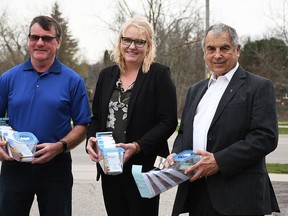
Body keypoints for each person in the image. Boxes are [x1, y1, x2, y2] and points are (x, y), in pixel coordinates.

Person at [167, 23, 280, 216]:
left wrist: (219, 161)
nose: (217, 55)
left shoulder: (259, 87)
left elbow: (265, 137)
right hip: (197, 193)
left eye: (224, 48)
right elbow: (184, 131)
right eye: (211, 49)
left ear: (237, 50)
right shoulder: (196, 90)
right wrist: (176, 154)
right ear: (204, 52)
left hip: (238, 196)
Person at [86, 16, 178, 216]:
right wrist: (90, 140)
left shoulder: (158, 75)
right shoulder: (106, 75)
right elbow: (96, 118)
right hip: (110, 167)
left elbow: (168, 121)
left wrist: (137, 146)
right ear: (120, 41)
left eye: (140, 41)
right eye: (127, 40)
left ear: (149, 45)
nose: (132, 46)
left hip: (142, 168)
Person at [0, 15, 91, 216]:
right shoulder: (8, 78)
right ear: (28, 40)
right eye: (35, 37)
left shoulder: (73, 81)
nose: (40, 43)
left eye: (47, 38)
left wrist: (60, 146)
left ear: (58, 42)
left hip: (56, 167)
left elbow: (82, 124)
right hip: (15, 166)